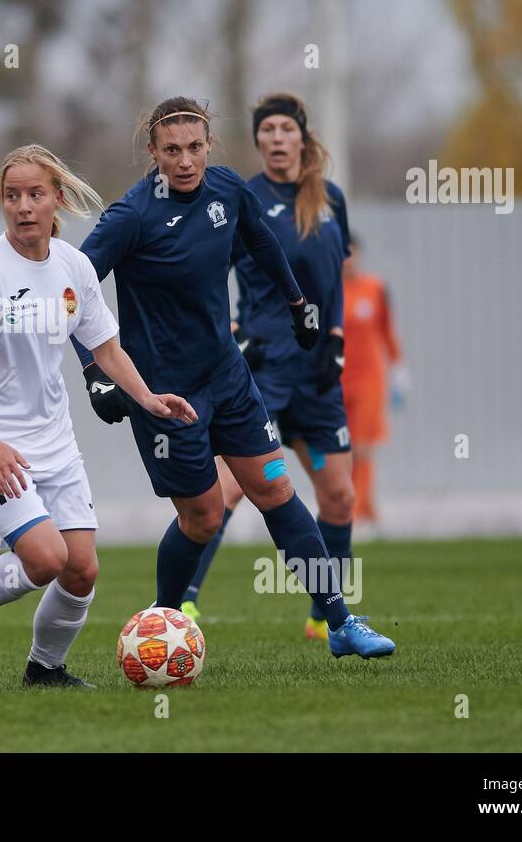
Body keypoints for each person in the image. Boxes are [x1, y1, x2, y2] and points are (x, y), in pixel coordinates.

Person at [76, 95, 394, 659]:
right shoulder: (131, 216)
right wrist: (95, 373)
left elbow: (261, 240)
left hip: (230, 376)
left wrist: (297, 302)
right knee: (202, 516)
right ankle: (164, 621)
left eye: (195, 147)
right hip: (166, 395)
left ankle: (340, 623)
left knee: (273, 486)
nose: (185, 161)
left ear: (209, 146)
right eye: (171, 150)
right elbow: (72, 293)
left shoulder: (225, 189)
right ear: (153, 152)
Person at [0, 144, 196, 687]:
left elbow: (105, 348)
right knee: (47, 559)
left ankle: (45, 671)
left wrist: (146, 398)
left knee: (81, 570)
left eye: (35, 195)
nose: (23, 206)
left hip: (54, 441)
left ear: (57, 199)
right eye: (12, 196)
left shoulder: (73, 267)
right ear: (2, 203)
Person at [177, 93, 362, 644]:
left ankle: (326, 615)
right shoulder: (241, 198)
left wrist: (336, 339)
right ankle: (183, 606)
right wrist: (232, 331)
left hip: (318, 374)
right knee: (229, 491)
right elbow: (208, 271)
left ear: (302, 138)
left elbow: (334, 281)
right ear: (258, 141)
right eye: (268, 130)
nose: (278, 138)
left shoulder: (330, 199)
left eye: (286, 128)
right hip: (263, 369)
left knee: (339, 497)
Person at [340, 233, 406, 526]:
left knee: (364, 446)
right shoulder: (327, 291)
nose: (349, 261)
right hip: (336, 381)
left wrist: (400, 369)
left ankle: (358, 511)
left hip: (369, 380)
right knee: (341, 449)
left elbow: (386, 331)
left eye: (353, 253)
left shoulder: (375, 289)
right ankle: (362, 506)